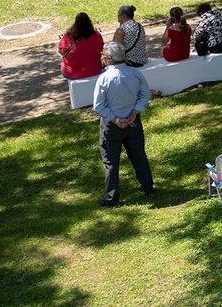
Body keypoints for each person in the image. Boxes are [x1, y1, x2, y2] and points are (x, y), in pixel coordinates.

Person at [93, 42, 154, 207]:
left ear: (109, 59)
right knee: (138, 155)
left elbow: (98, 106)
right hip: (133, 123)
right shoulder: (135, 73)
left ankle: (112, 197)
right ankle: (148, 187)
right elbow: (144, 94)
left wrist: (116, 120)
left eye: (104, 56)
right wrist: (134, 113)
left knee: (111, 161)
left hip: (112, 126)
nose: (102, 58)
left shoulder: (104, 78)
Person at [58, 12, 105, 80]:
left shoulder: (68, 37)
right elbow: (102, 49)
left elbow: (60, 51)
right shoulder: (97, 36)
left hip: (71, 72)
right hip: (95, 70)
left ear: (75, 23)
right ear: (89, 22)